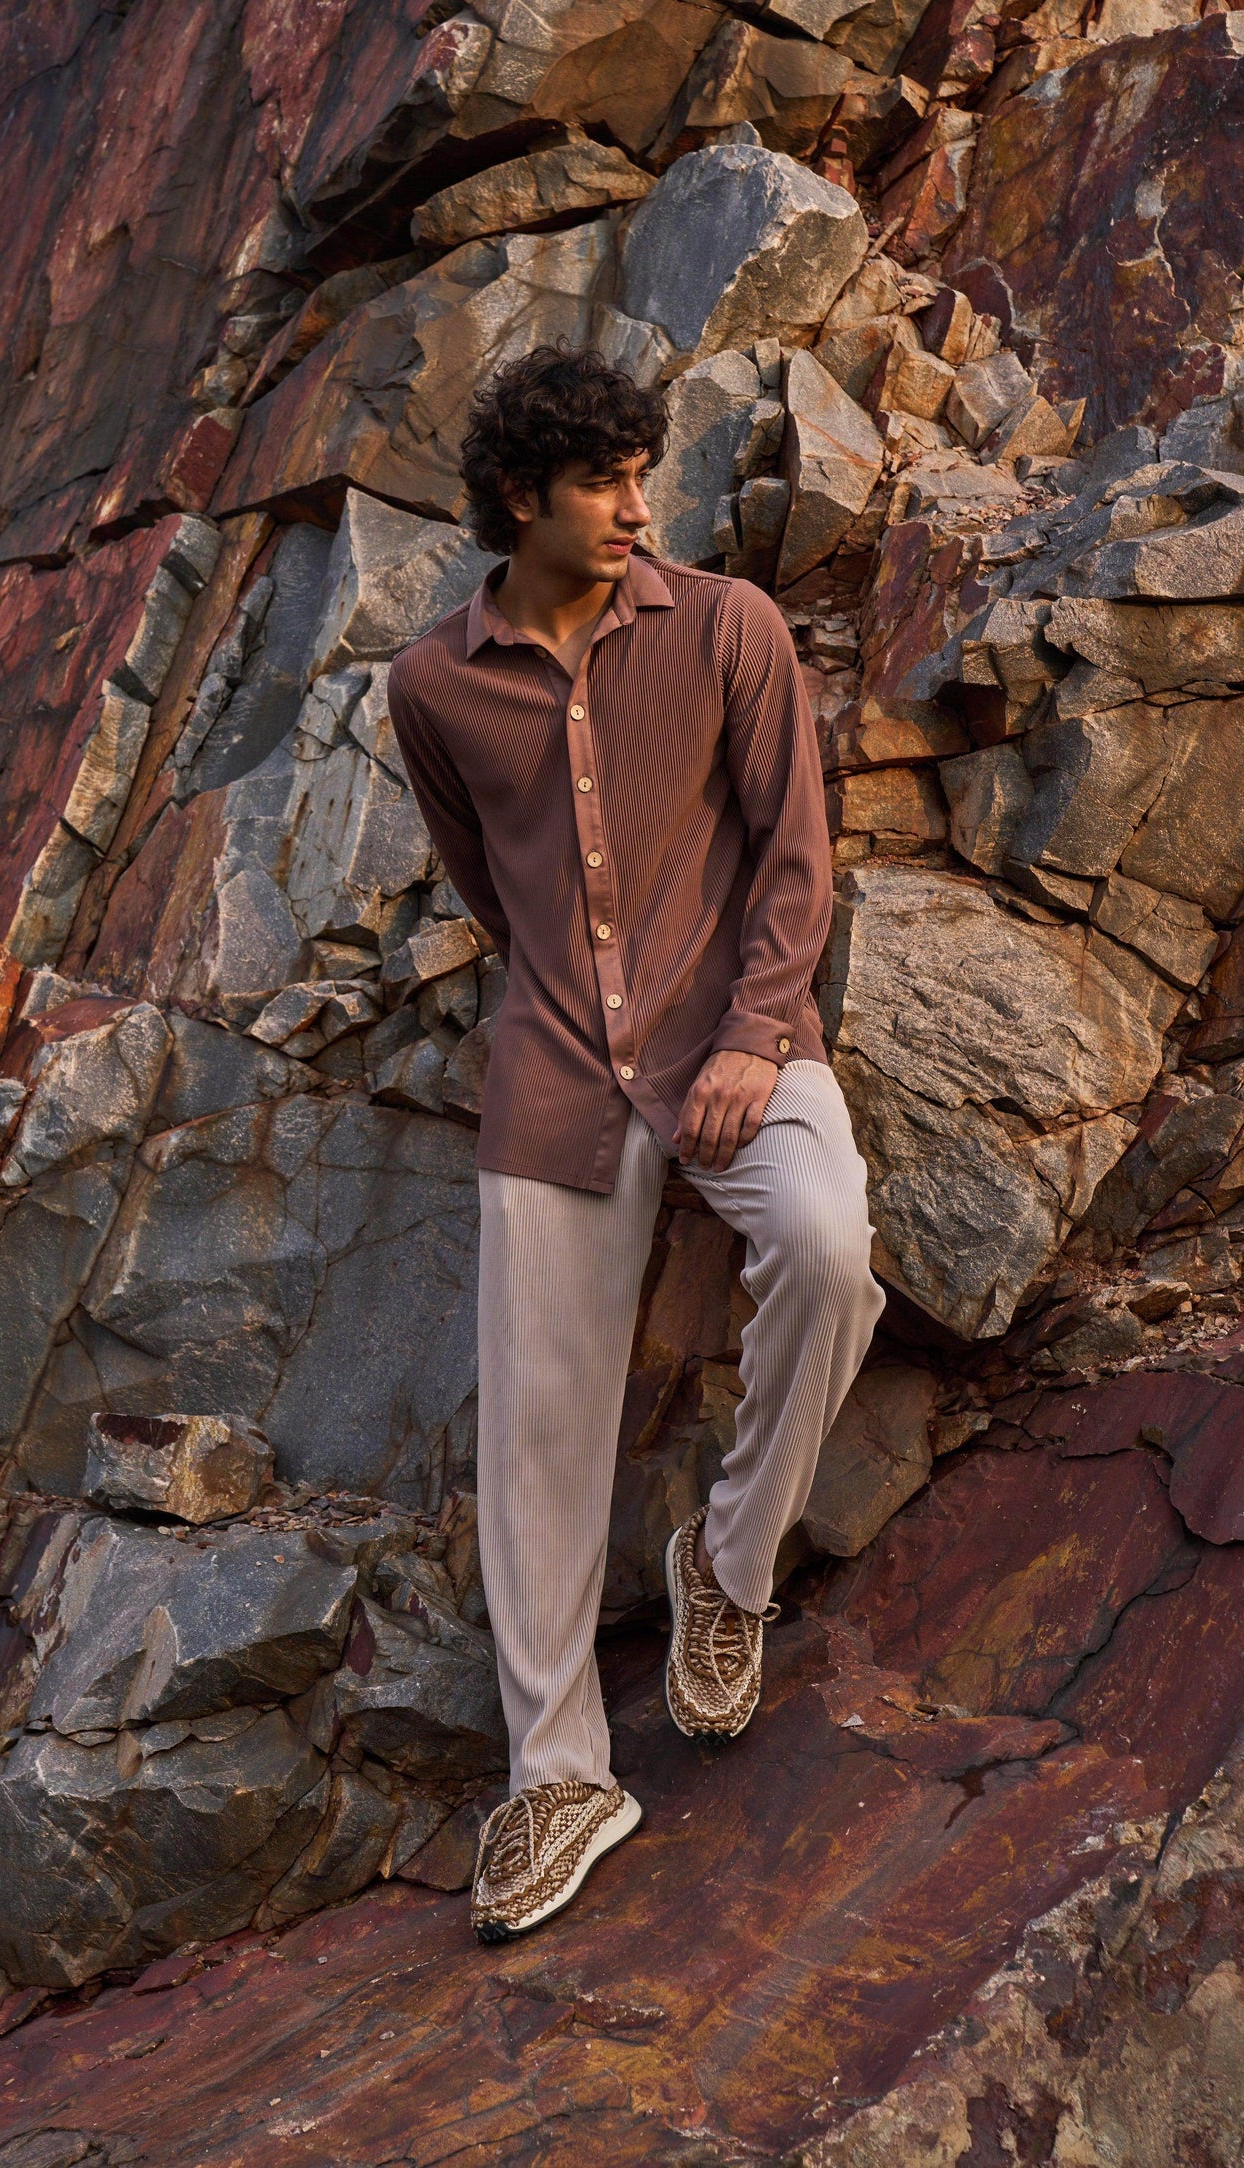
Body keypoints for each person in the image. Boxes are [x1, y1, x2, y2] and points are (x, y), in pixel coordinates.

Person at [387, 344, 884, 1946]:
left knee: (826, 1247)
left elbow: (794, 857)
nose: (632, 508)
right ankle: (558, 1777)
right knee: (536, 1424)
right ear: (516, 496)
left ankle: (726, 1572)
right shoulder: (431, 686)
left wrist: (748, 1033)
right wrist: (573, 1009)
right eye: (598, 483)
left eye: (638, 476)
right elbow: (486, 878)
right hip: (553, 1072)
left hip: (734, 1039)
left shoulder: (726, 626)